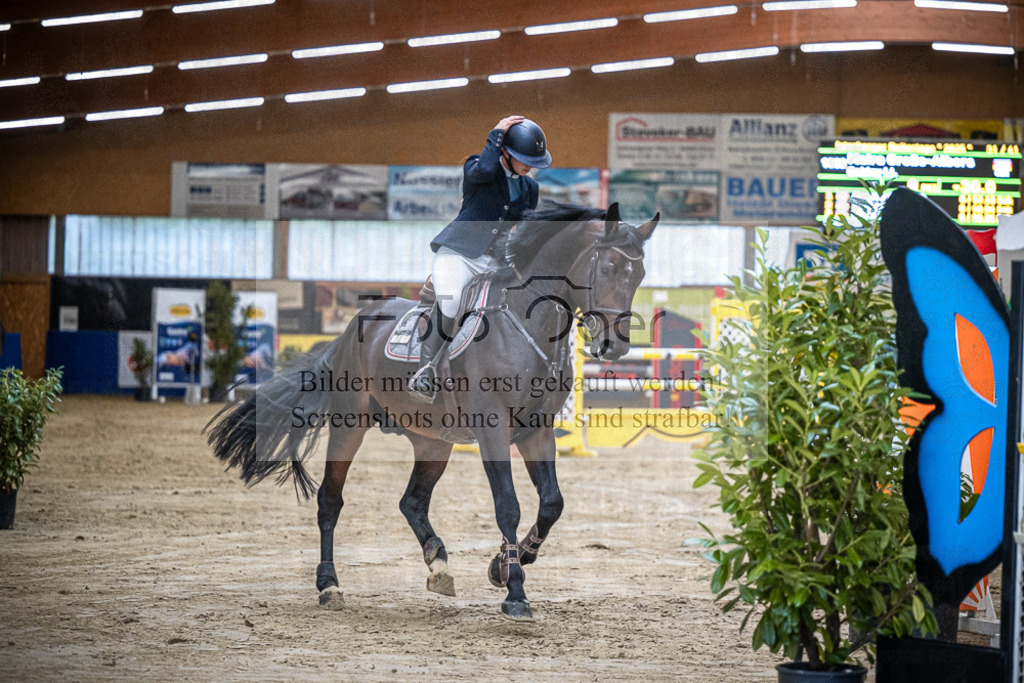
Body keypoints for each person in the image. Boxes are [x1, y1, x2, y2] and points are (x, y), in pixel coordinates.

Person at [408, 115, 552, 403]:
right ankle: (425, 370)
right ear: (505, 153)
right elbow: (486, 166)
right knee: (449, 301)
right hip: (460, 255)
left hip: (496, 262)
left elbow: (521, 230)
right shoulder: (478, 168)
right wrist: (496, 133)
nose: (529, 167)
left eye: (534, 162)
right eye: (523, 159)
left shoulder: (530, 189)